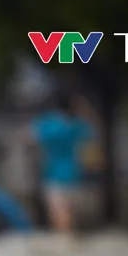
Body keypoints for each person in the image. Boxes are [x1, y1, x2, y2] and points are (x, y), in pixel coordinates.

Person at [29, 90, 95, 235]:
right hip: (73, 173)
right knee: (69, 215)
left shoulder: (48, 123)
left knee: (58, 215)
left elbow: (31, 136)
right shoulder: (76, 124)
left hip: (54, 174)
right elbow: (90, 135)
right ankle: (69, 242)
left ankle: (64, 243)